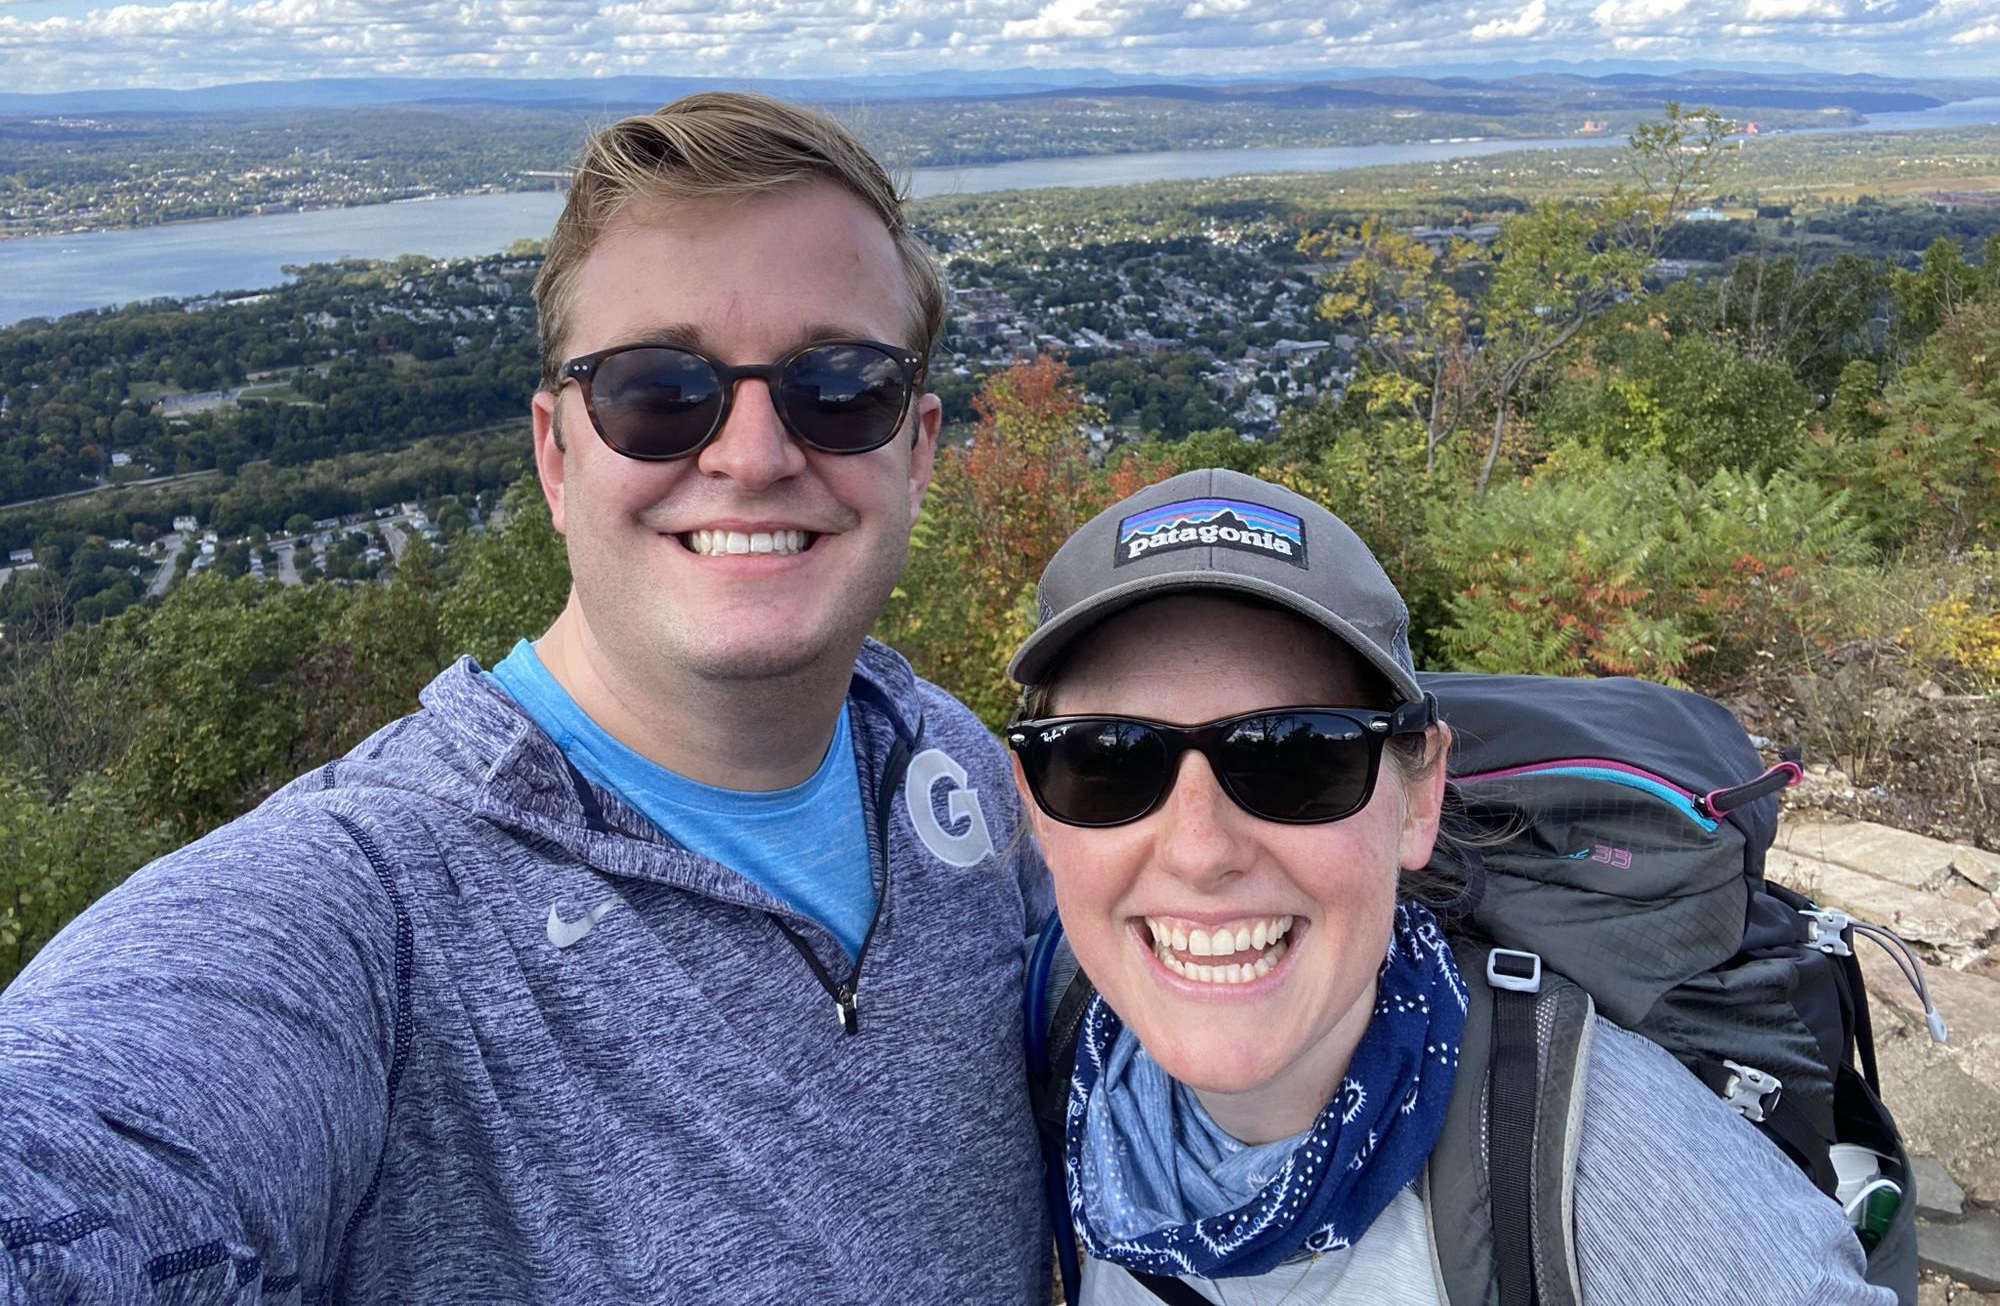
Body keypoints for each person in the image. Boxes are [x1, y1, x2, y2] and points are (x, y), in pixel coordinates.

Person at [0, 93, 1052, 1304]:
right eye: (659, 391)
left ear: (915, 451)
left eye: (839, 386)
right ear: (557, 456)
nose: (754, 455)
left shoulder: (957, 769)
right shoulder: (373, 906)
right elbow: (92, 1151)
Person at [1004, 467, 1892, 1305]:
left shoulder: (1627, 1195)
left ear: (1418, 798)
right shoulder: (1064, 1042)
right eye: (1106, 762)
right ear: (1036, 810)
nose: (1199, 852)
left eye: (1299, 756)